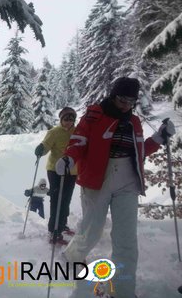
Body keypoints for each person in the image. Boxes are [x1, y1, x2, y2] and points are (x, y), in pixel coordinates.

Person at [55, 77, 176, 298]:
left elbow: (139, 151)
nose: (126, 105)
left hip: (128, 182)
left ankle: (123, 291)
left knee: (126, 239)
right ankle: (73, 255)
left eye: (131, 101)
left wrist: (159, 137)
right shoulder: (94, 115)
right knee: (92, 230)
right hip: (96, 180)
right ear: (113, 95)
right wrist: (69, 159)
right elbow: (78, 142)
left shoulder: (134, 122)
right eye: (122, 99)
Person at [34, 107, 78, 246]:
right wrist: (41, 148)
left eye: (71, 119)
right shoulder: (54, 132)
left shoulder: (77, 132)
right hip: (55, 170)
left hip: (71, 171)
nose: (68, 122)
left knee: (66, 199)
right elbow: (46, 145)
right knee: (57, 199)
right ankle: (53, 230)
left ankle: (62, 225)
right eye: (66, 119)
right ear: (61, 119)